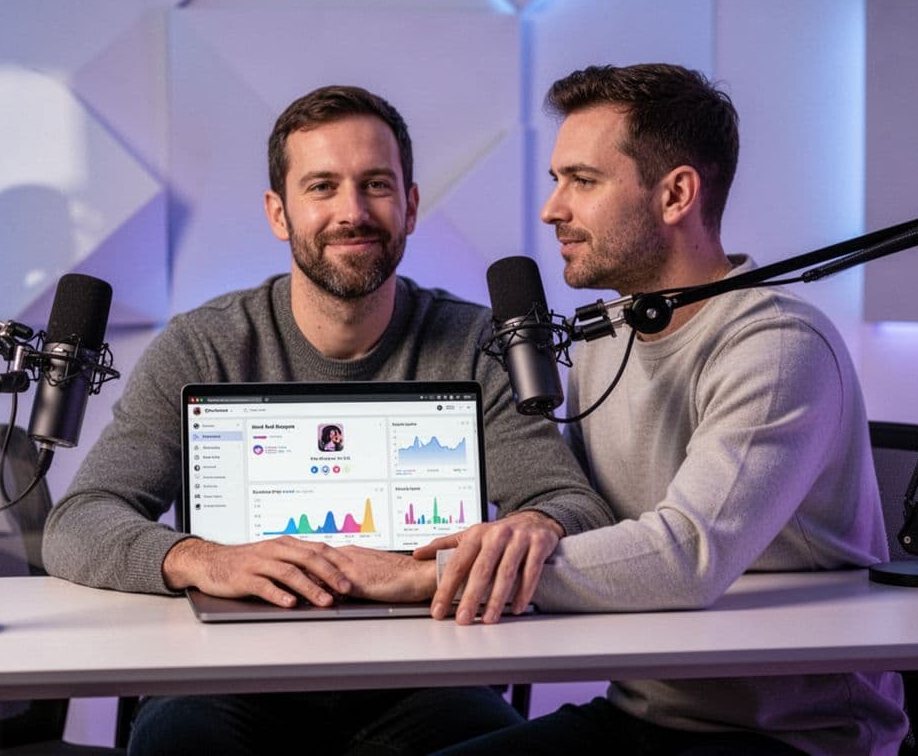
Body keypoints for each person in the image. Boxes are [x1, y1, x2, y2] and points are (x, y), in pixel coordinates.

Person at [41, 85, 613, 756]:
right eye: (322, 187)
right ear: (278, 213)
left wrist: (534, 526)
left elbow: (573, 506)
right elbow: (77, 521)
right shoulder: (203, 345)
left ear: (411, 206)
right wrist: (201, 559)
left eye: (376, 185)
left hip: (424, 673)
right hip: (229, 679)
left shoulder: (478, 343)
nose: (352, 212)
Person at [421, 64, 907, 755]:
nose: (552, 209)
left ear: (676, 193)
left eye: (582, 181)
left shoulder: (775, 344)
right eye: (558, 180)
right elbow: (584, 517)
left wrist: (420, 578)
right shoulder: (605, 335)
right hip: (645, 715)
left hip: (792, 737)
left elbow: (685, 557)